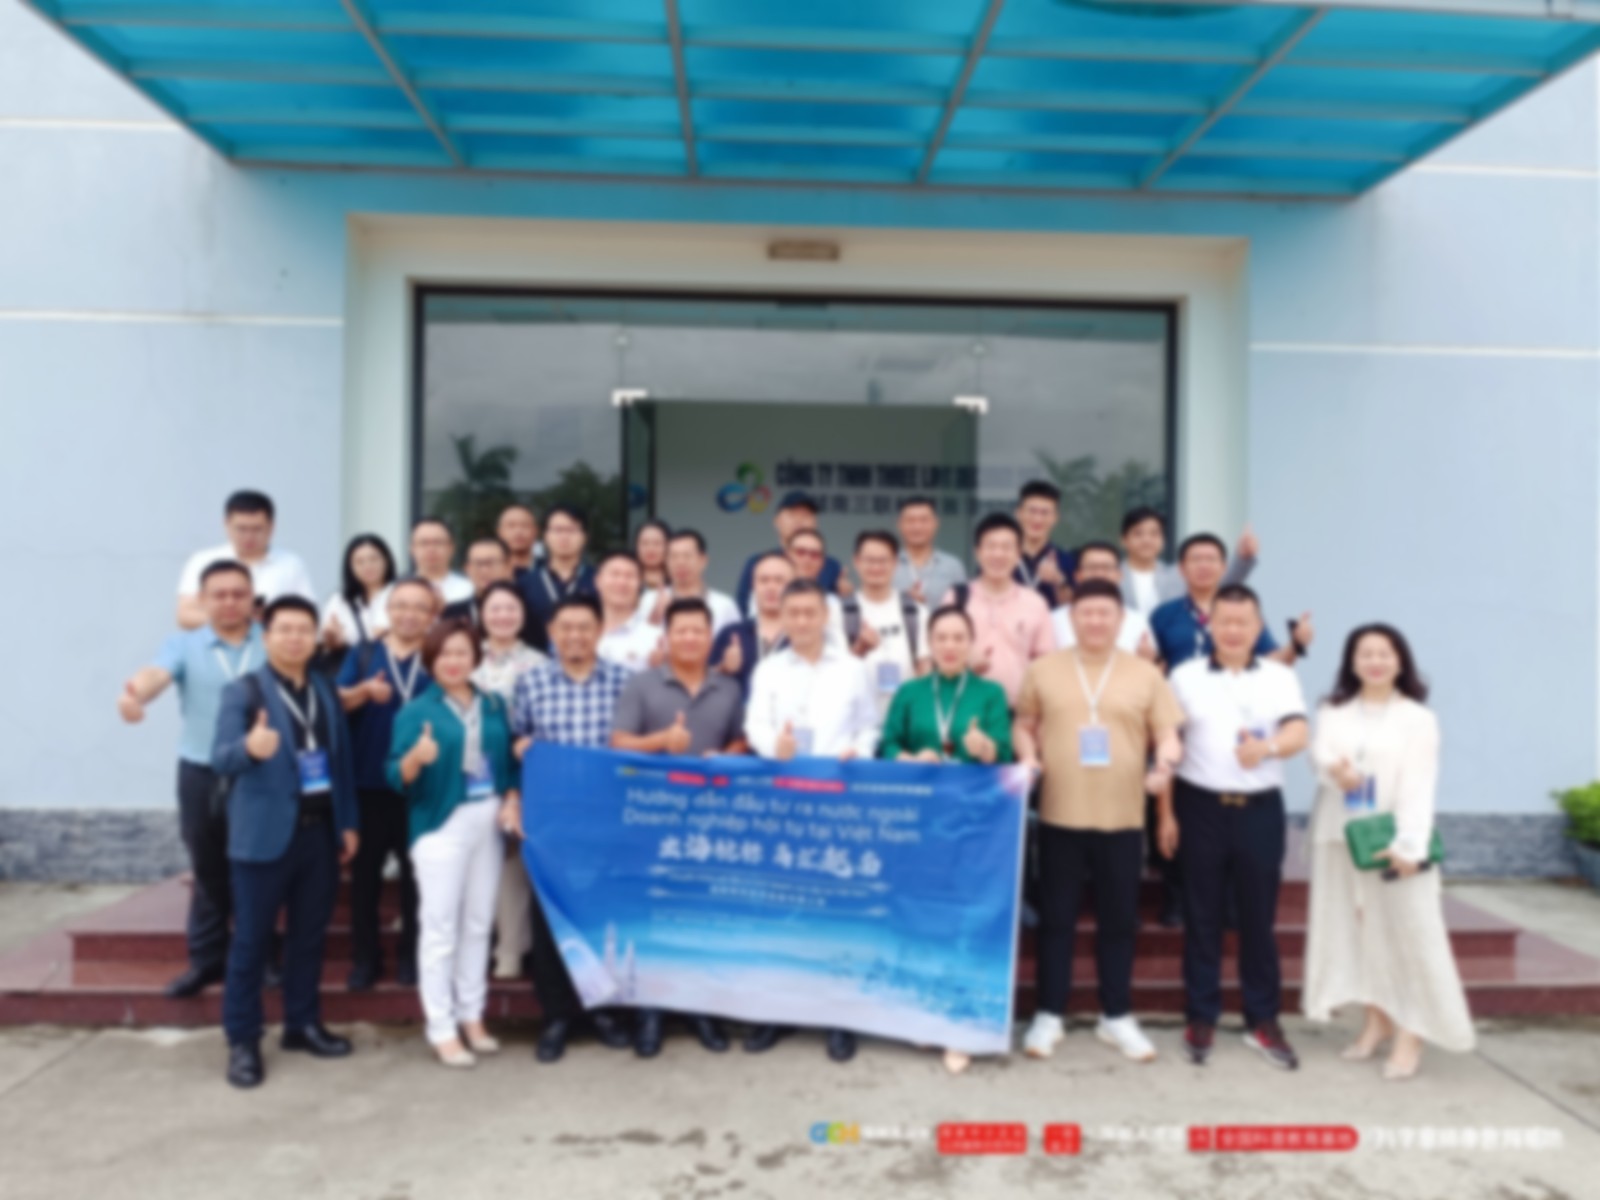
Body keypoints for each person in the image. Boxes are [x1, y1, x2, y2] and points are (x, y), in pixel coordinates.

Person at [1014, 580, 1185, 1065]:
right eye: (1085, 612)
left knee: (1118, 921)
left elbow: (1168, 734)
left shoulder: (1145, 674)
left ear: (1120, 619)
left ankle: (1117, 1015)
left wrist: (1165, 764)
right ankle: (1049, 1013)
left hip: (1123, 817)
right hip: (1059, 814)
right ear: (1072, 618)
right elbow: (1023, 724)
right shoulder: (1044, 669)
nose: (1094, 621)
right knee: (1057, 921)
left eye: (1104, 613)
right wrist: (1028, 755)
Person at [1303, 624, 1474, 1079]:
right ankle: (1376, 1021)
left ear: (1400, 662)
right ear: (1351, 662)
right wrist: (1334, 771)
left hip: (1393, 839)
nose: (1375, 661)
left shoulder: (1417, 718)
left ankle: (1412, 1032)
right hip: (1341, 835)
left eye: (1385, 653)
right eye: (1365, 653)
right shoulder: (1333, 710)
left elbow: (1419, 786)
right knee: (1358, 931)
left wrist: (1410, 845)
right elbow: (1320, 753)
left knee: (1409, 933)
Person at [1158, 584, 1310, 1071]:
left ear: (1258, 626)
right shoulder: (1184, 676)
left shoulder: (1280, 676)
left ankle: (1262, 1019)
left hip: (1260, 810)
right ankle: (1200, 1015)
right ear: (1210, 624)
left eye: (1243, 622)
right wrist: (1165, 813)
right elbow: (1166, 744)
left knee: (1257, 920)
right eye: (1224, 620)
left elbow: (1298, 732)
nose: (1233, 630)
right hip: (1198, 807)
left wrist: (1267, 748)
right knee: (1201, 917)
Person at [211, 596, 359, 1089]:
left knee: (308, 937)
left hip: (318, 834)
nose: (295, 638)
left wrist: (348, 822)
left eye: (304, 630)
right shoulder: (243, 691)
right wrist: (249, 749)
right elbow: (220, 758)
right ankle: (243, 1040)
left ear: (316, 637)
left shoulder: (324, 688)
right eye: (285, 629)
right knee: (251, 942)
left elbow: (340, 761)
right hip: (262, 836)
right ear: (266, 635)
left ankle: (302, 1024)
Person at [743, 579, 879, 1063]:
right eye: (792, 612)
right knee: (782, 909)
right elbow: (755, 724)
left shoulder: (854, 669)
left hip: (837, 801)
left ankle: (839, 1016)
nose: (801, 621)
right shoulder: (768, 669)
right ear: (781, 617)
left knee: (836, 911)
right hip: (783, 803)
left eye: (809, 612)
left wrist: (858, 750)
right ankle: (777, 1012)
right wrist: (771, 746)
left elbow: (870, 726)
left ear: (825, 616)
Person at [118, 559, 265, 998]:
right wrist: (136, 694)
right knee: (208, 867)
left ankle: (262, 959)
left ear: (252, 598)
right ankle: (205, 961)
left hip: (262, 772)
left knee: (260, 868)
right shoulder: (183, 645)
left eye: (239, 593)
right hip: (202, 771)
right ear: (202, 600)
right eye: (219, 594)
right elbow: (155, 674)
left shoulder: (272, 639)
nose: (230, 602)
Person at [610, 597, 748, 1058]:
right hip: (652, 817)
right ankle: (650, 1014)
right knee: (652, 913)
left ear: (711, 637)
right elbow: (618, 742)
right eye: (681, 631)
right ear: (666, 638)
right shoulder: (642, 683)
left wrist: (728, 753)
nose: (690, 638)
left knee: (701, 914)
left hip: (711, 818)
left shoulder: (728, 687)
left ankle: (699, 1009)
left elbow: (742, 739)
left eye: (698, 631)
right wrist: (663, 741)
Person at [878, 603, 1012, 1074]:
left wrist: (985, 747)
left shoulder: (990, 693)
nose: (951, 646)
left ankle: (962, 1026)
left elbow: (1006, 755)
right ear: (929, 645)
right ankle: (924, 1015)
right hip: (919, 823)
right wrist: (910, 758)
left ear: (971, 644)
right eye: (942, 638)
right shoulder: (910, 692)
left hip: (975, 828)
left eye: (959, 638)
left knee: (966, 921)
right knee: (923, 917)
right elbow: (886, 745)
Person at [509, 594, 636, 1062]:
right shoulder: (532, 682)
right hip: (553, 820)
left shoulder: (625, 681)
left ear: (600, 630)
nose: (575, 636)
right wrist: (518, 757)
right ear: (551, 632)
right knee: (551, 919)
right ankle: (557, 1016)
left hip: (610, 817)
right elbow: (516, 741)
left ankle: (602, 1012)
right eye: (566, 627)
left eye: (585, 626)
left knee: (603, 915)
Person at [387, 618, 519, 1068]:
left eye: (462, 652)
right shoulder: (415, 711)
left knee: (479, 923)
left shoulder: (493, 703)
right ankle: (441, 1027)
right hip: (441, 825)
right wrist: (414, 758)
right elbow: (394, 775)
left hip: (488, 819)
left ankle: (472, 1015)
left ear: (476, 657)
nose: (454, 661)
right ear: (431, 659)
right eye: (444, 654)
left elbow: (508, 764)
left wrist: (511, 799)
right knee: (440, 928)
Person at [335, 578, 437, 991]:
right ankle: (365, 959)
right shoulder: (363, 654)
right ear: (387, 611)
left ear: (432, 616)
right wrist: (363, 691)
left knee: (419, 879)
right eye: (401, 606)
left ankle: (411, 955)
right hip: (368, 785)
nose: (409, 614)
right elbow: (335, 702)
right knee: (365, 881)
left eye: (419, 607)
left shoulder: (438, 654)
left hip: (424, 787)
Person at [470, 581, 548, 980]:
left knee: (513, 862)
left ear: (522, 614)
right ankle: (476, 945)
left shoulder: (540, 663)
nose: (502, 616)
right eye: (494, 608)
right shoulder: (463, 656)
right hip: (470, 775)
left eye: (510, 608)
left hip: (522, 773)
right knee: (475, 857)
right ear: (481, 614)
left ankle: (512, 949)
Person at [940, 513, 1056, 708]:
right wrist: (964, 657)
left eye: (1006, 547)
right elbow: (937, 650)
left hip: (1017, 710)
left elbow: (1046, 664)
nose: (998, 554)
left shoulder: (1035, 603)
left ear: (1018, 554)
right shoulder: (955, 597)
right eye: (991, 546)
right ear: (977, 552)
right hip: (961, 707)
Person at [1149, 534, 1311, 671]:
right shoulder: (1163, 615)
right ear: (1181, 569)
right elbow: (1153, 669)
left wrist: (1295, 645)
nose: (1203, 566)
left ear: (1224, 567)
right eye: (1196, 559)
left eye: (1211, 559)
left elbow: (1273, 663)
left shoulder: (1243, 610)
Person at [176, 490, 315, 629]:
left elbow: (308, 615)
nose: (249, 537)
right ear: (226, 524)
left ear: (271, 527)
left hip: (272, 641)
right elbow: (185, 616)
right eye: (241, 529)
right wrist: (239, 619)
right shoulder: (203, 560)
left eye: (257, 529)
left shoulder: (290, 564)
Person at [842, 530, 929, 720]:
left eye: (883, 561)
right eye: (869, 560)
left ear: (895, 563)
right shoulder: (840, 612)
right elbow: (830, 672)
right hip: (855, 722)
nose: (876, 567)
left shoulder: (916, 612)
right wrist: (859, 649)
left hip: (904, 720)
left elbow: (925, 668)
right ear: (856, 562)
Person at [1120, 507, 1258, 616]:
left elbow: (1222, 582)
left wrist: (1243, 558)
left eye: (1154, 534)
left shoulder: (1178, 574)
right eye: (1138, 534)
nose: (1146, 540)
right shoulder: (1113, 576)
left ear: (1163, 540)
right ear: (1124, 540)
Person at [735, 492, 843, 615]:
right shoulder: (759, 562)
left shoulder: (831, 566)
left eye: (806, 516)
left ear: (815, 523)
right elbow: (742, 610)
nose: (799, 521)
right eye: (792, 515)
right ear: (776, 521)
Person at [1049, 540, 1156, 661]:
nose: (1099, 574)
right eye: (1092, 567)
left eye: (1106, 567)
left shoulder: (1138, 620)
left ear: (1119, 575)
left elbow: (1148, 665)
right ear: (1077, 576)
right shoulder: (1053, 619)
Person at [710, 551, 794, 695]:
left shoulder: (806, 637)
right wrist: (723, 668)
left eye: (779, 581)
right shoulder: (731, 633)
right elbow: (703, 683)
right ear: (753, 585)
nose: (771, 587)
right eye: (763, 580)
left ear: (794, 586)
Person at [442, 535, 545, 649]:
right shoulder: (452, 614)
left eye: (491, 563)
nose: (484, 570)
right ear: (467, 569)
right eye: (478, 563)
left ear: (508, 566)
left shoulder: (530, 610)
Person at [646, 529, 740, 637]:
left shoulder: (724, 605)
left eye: (687, 556)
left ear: (703, 560)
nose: (680, 562)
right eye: (674, 557)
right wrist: (655, 618)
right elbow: (637, 643)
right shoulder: (650, 600)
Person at [518, 505, 596, 632]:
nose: (564, 537)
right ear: (545, 536)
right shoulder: (525, 584)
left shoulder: (599, 581)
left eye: (571, 530)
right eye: (558, 530)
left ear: (585, 536)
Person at [321, 534, 397, 661]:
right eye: (359, 562)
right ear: (350, 567)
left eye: (373, 559)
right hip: (352, 666)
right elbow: (326, 641)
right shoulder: (339, 600)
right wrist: (332, 638)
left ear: (386, 560)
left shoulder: (401, 593)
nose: (368, 566)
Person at [892, 495, 967, 609]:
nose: (917, 527)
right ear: (899, 524)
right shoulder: (887, 564)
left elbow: (962, 607)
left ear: (936, 523)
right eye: (910, 520)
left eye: (924, 520)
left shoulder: (952, 566)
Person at [595, 552, 663, 673]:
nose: (622, 582)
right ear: (598, 581)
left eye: (630, 576)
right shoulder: (576, 631)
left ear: (640, 583)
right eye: (615, 574)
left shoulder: (656, 637)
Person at [1014, 480, 1076, 608]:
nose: (1038, 519)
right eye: (1032, 511)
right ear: (1018, 513)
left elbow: (1076, 607)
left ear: (1055, 518)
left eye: (1045, 513)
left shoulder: (1066, 560)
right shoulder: (1001, 558)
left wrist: (1059, 581)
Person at [410, 517, 472, 605]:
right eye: (424, 543)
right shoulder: (395, 591)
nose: (431, 549)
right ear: (412, 548)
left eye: (438, 542)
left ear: (452, 548)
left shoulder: (469, 590)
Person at [497, 503, 542, 579]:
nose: (518, 532)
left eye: (525, 525)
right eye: (511, 526)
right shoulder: (490, 570)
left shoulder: (550, 570)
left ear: (536, 531)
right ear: (500, 532)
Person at [633, 519, 672, 594]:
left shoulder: (678, 580)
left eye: (657, 543)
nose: (650, 549)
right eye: (645, 543)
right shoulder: (627, 580)